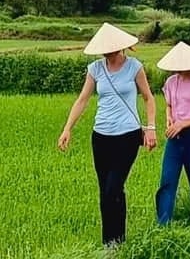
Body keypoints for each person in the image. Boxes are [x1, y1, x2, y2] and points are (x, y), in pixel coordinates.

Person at [58, 23, 158, 247]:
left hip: (128, 136)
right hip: (101, 136)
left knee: (114, 186)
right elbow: (82, 99)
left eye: (110, 48)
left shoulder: (134, 67)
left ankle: (118, 240)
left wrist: (151, 128)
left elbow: (148, 98)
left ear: (120, 47)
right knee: (106, 191)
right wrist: (67, 128)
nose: (107, 52)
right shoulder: (95, 68)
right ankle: (110, 243)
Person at [154, 41, 190, 225]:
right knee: (167, 181)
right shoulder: (171, 82)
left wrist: (183, 124)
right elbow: (169, 106)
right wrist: (170, 119)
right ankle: (163, 224)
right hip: (175, 139)